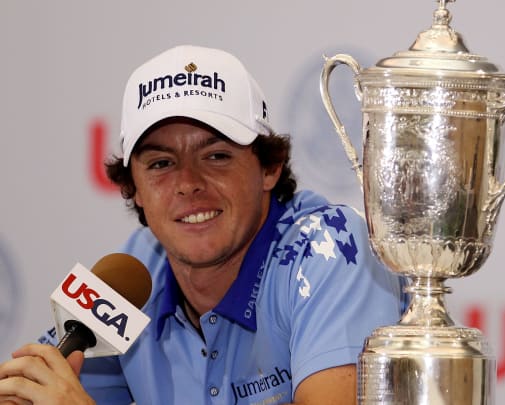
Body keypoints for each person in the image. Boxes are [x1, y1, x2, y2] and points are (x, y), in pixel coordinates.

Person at [0, 45, 405, 404]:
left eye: (216, 156)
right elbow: (40, 388)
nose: (188, 183)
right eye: (161, 163)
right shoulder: (134, 273)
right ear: (133, 188)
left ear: (269, 167)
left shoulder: (331, 248)